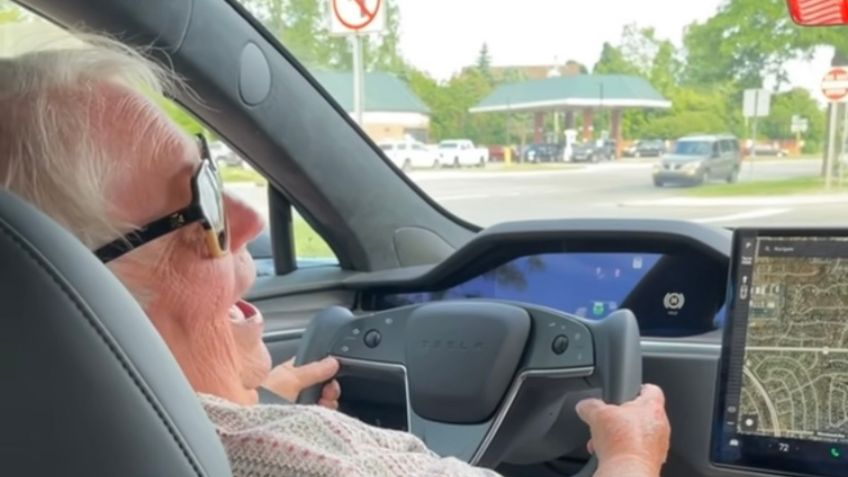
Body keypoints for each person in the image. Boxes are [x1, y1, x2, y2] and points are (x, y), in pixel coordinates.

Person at [0, 36, 670, 477]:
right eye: (199, 200)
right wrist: (632, 453)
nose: (250, 217)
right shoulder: (302, 458)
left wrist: (245, 396)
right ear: (67, 290)